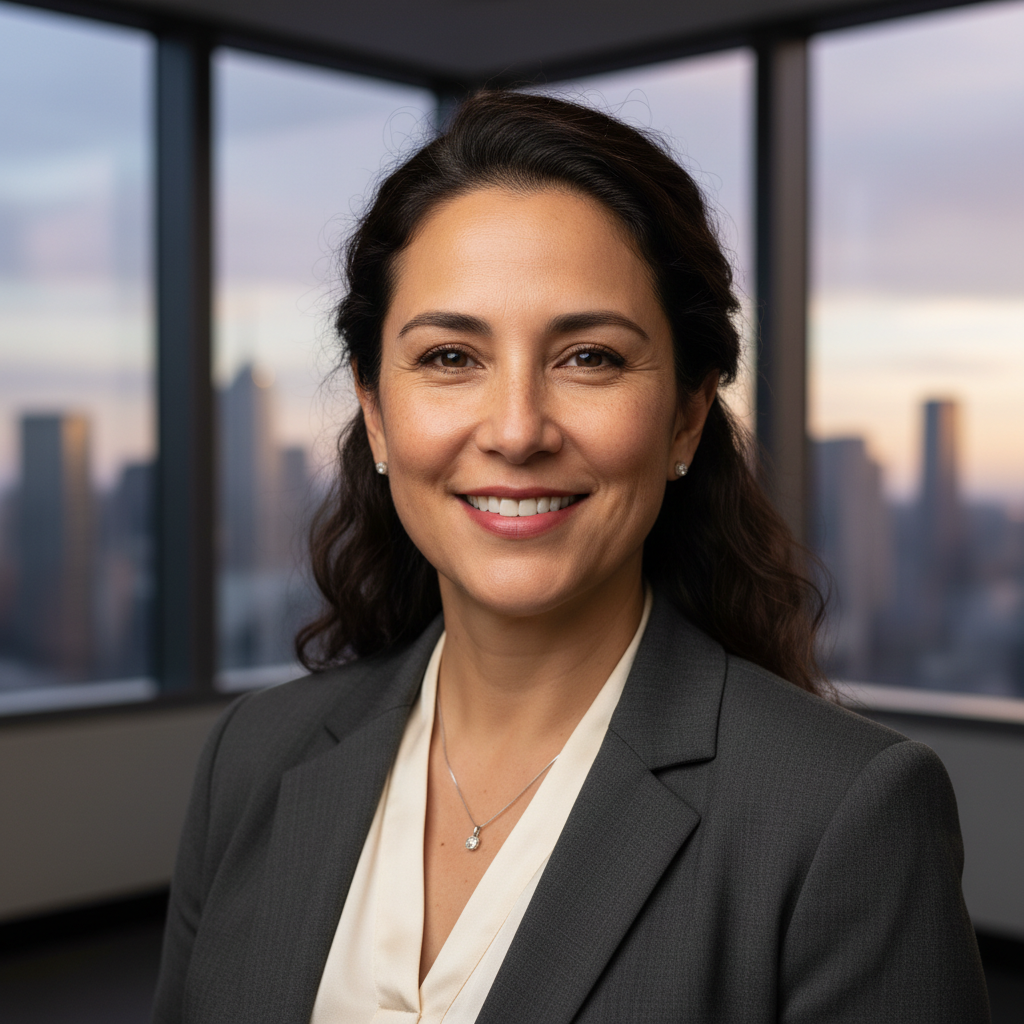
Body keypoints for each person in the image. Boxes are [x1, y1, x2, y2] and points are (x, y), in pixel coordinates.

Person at [152, 91, 989, 1023]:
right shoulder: (253, 758)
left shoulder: (845, 816)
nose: (516, 431)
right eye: (448, 359)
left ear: (686, 414)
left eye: (588, 357)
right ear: (377, 412)